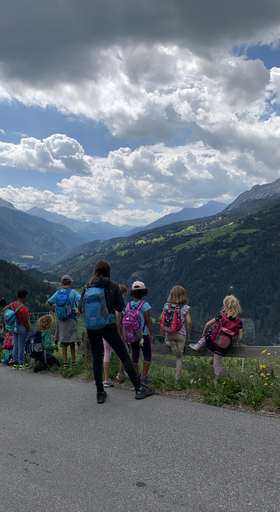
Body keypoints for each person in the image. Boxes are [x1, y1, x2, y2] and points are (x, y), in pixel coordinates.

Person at [79, 260, 155, 404]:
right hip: (108, 326)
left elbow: (81, 308)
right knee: (123, 354)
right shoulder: (112, 286)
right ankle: (139, 388)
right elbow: (120, 307)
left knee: (96, 357)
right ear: (108, 271)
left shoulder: (87, 286)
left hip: (92, 327)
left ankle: (100, 393)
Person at [189, 295, 243, 384]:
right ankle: (216, 383)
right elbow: (240, 337)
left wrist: (204, 333)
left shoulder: (221, 316)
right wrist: (231, 343)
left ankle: (198, 345)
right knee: (217, 364)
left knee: (208, 333)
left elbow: (207, 324)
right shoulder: (239, 322)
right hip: (223, 348)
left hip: (213, 342)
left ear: (225, 306)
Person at [46, 275, 81, 369]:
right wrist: (79, 312)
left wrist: (54, 311)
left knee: (63, 343)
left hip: (61, 320)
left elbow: (48, 303)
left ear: (61, 283)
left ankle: (65, 364)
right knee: (72, 341)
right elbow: (81, 301)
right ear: (71, 283)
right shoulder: (73, 292)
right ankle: (73, 362)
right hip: (71, 318)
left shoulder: (58, 292)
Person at [160, 286, 192, 383]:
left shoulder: (167, 306)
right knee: (179, 357)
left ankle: (170, 344)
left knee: (167, 341)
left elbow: (161, 318)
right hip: (180, 335)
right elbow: (189, 322)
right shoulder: (185, 307)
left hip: (169, 334)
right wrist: (188, 333)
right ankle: (177, 379)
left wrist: (163, 330)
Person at [126, 280, 155, 384]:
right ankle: (144, 377)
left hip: (132, 334)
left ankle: (136, 376)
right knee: (147, 354)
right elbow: (148, 320)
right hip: (143, 334)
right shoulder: (145, 305)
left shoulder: (128, 305)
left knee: (135, 354)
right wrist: (152, 333)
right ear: (144, 292)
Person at [103, 284, 129, 387]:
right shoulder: (118, 305)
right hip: (115, 332)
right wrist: (120, 335)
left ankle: (106, 379)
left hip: (105, 330)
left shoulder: (108, 303)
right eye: (124, 295)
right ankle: (121, 373)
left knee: (107, 353)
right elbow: (118, 320)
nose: (124, 297)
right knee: (125, 350)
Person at [3, 289, 30, 369]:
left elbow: (5, 310)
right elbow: (25, 321)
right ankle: (21, 364)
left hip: (13, 327)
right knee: (21, 346)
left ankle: (15, 363)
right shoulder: (24, 308)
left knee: (15, 345)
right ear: (25, 297)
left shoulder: (12, 304)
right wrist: (29, 330)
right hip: (21, 327)